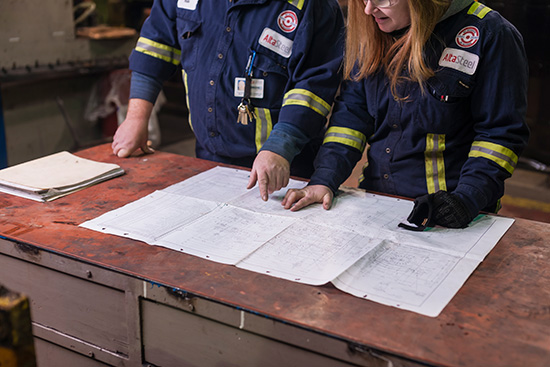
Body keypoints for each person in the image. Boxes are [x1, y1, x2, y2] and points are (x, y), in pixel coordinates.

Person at [282, 0, 529, 229]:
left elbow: (499, 136)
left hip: (448, 213)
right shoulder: (375, 31)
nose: (368, 10)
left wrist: (466, 199)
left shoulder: (490, 34)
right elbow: (351, 118)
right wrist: (323, 179)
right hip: (379, 201)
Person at [111, 0, 345, 201]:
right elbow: (156, 46)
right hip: (208, 161)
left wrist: (281, 147)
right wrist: (136, 118)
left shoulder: (312, 5)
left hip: (284, 168)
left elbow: (313, 87)